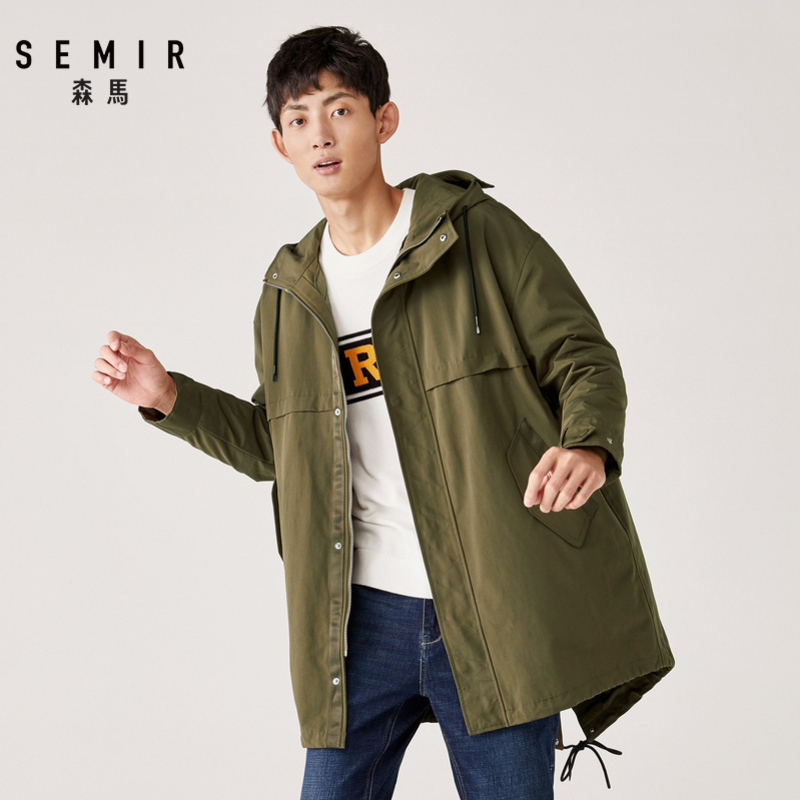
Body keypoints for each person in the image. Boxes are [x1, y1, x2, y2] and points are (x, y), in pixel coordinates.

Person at [93, 26, 674, 799]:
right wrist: (168, 396)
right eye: (299, 119)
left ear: (384, 120)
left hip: (492, 606)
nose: (321, 135)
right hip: (358, 623)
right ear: (279, 144)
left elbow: (581, 354)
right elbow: (278, 447)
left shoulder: (472, 233)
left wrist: (588, 445)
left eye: (340, 110)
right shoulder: (289, 290)